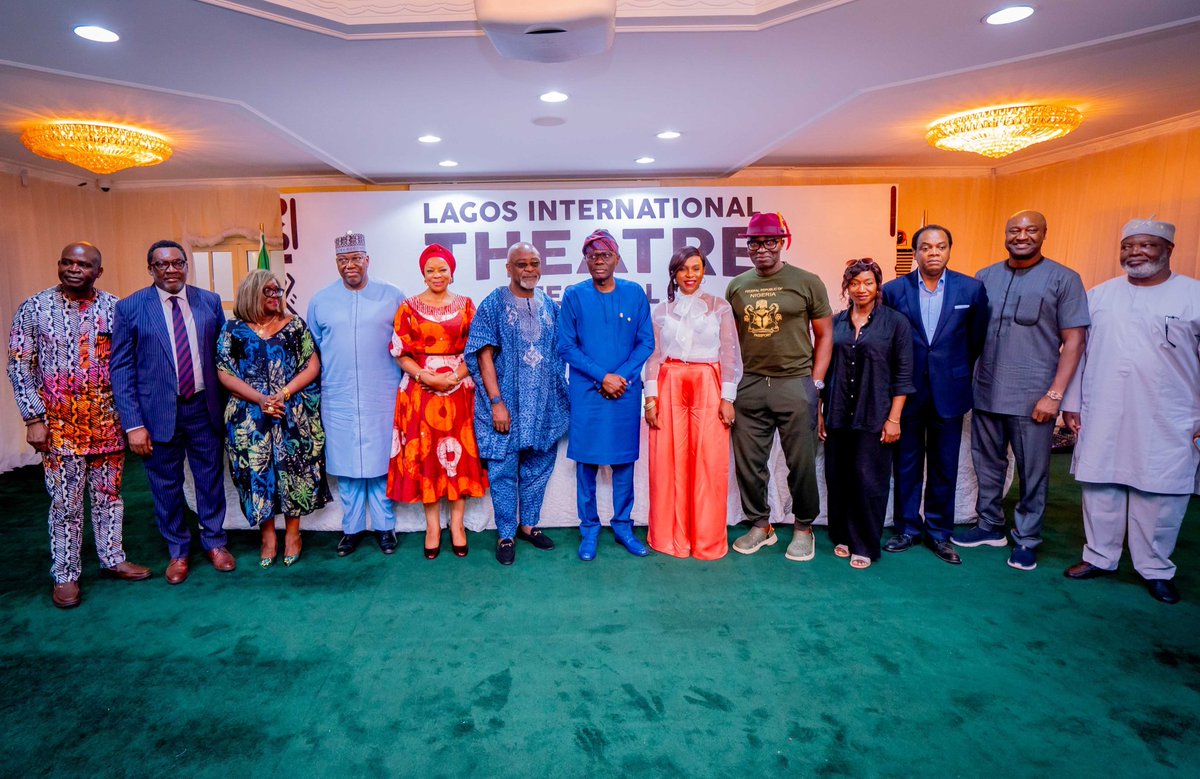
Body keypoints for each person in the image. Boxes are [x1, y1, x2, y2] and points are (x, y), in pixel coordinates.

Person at [1062, 219, 1200, 604]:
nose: (1135, 253)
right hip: (1102, 406)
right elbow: (1079, 352)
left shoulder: (1194, 295)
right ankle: (1100, 557)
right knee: (1100, 484)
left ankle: (1155, 568)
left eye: (1146, 245)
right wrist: (1071, 402)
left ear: (1168, 249)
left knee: (1160, 491)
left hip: (1170, 413)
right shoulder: (1099, 296)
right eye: (1128, 246)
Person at [7, 242, 152, 608]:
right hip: (58, 429)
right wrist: (33, 418)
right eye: (68, 262)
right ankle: (66, 575)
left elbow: (130, 365)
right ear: (59, 265)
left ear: (98, 272)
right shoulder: (34, 308)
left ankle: (113, 559)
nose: (75, 269)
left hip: (108, 424)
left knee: (109, 498)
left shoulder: (116, 309)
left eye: (84, 264)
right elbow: (19, 366)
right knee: (65, 504)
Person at [953, 210, 1089, 571]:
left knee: (1033, 471)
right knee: (987, 463)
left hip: (1034, 396)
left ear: (1044, 234)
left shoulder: (1064, 279)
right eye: (1015, 229)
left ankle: (1027, 538)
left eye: (1031, 230)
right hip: (984, 389)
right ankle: (990, 525)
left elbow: (1074, 341)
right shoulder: (984, 277)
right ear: (1005, 234)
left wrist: (1055, 395)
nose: (1022, 236)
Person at [111, 240, 234, 584]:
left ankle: (214, 542)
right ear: (150, 268)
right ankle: (178, 551)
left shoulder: (208, 302)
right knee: (166, 485)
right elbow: (121, 370)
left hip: (203, 406)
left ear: (185, 265)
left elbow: (221, 357)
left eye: (177, 263)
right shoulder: (131, 307)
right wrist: (133, 424)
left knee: (210, 479)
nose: (171, 270)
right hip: (156, 414)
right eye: (162, 264)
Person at [724, 212, 833, 561]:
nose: (762, 249)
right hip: (750, 383)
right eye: (755, 243)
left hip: (794, 382)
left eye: (770, 241)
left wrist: (815, 383)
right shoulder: (737, 285)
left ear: (783, 242)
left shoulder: (807, 281)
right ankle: (761, 524)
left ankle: (803, 527)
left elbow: (826, 335)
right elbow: (729, 341)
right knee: (749, 462)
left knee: (800, 462)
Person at [881, 225, 989, 565]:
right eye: (926, 247)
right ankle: (908, 528)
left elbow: (976, 340)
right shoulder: (894, 290)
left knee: (945, 465)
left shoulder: (971, 289)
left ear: (949, 250)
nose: (933, 253)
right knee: (907, 463)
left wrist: (952, 369)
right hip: (908, 392)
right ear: (915, 253)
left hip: (950, 391)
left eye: (940, 246)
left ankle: (940, 533)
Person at [465, 242, 570, 565]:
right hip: (505, 406)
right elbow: (483, 354)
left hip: (542, 404)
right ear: (508, 269)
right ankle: (506, 532)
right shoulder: (494, 303)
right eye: (521, 264)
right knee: (503, 471)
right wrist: (496, 402)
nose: (529, 270)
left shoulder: (549, 305)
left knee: (539, 467)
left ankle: (528, 526)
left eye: (534, 263)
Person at [217, 270, 327, 567]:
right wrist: (261, 399)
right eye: (269, 291)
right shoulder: (232, 330)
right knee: (256, 474)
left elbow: (312, 365)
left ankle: (293, 533)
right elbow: (224, 371)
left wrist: (284, 394)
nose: (276, 296)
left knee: (294, 472)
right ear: (252, 292)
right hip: (249, 417)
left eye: (278, 291)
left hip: (292, 413)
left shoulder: (294, 327)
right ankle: (268, 536)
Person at [558, 229, 655, 561]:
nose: (598, 261)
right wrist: (602, 376)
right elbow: (566, 346)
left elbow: (646, 342)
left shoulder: (634, 294)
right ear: (586, 260)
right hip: (587, 391)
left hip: (625, 392)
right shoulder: (573, 295)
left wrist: (621, 378)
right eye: (592, 255)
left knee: (623, 460)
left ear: (616, 258)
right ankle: (589, 531)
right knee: (586, 461)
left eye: (605, 255)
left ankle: (623, 526)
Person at [308, 231, 405, 557]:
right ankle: (350, 530)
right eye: (342, 260)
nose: (349, 265)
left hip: (383, 392)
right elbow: (316, 349)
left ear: (367, 260)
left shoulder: (392, 296)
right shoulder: (321, 300)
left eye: (355, 259)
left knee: (380, 464)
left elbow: (405, 344)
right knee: (347, 466)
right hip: (339, 394)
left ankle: (384, 527)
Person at [387, 244, 487, 559]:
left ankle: (457, 525)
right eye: (430, 270)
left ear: (452, 271)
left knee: (460, 458)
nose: (437, 275)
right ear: (423, 273)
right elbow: (400, 352)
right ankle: (433, 527)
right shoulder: (408, 307)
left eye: (442, 269)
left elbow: (479, 348)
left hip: (460, 391)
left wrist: (455, 375)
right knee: (428, 456)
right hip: (420, 392)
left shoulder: (467, 305)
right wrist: (426, 377)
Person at [643, 246, 741, 560]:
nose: (690, 275)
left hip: (708, 384)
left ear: (703, 272)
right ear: (674, 273)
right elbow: (653, 357)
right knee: (667, 463)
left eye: (696, 268)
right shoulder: (660, 310)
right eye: (683, 269)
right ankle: (671, 538)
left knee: (709, 463)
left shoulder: (720, 307)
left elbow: (729, 354)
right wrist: (650, 399)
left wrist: (728, 397)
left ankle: (706, 541)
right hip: (668, 383)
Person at [818, 259, 914, 569]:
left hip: (874, 415)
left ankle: (865, 544)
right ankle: (843, 536)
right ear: (846, 286)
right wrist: (820, 412)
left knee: (868, 479)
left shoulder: (895, 323)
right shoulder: (835, 322)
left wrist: (894, 418)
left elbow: (903, 373)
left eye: (868, 283)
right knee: (838, 477)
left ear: (877, 286)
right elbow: (823, 369)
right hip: (836, 412)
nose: (861, 289)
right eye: (855, 283)